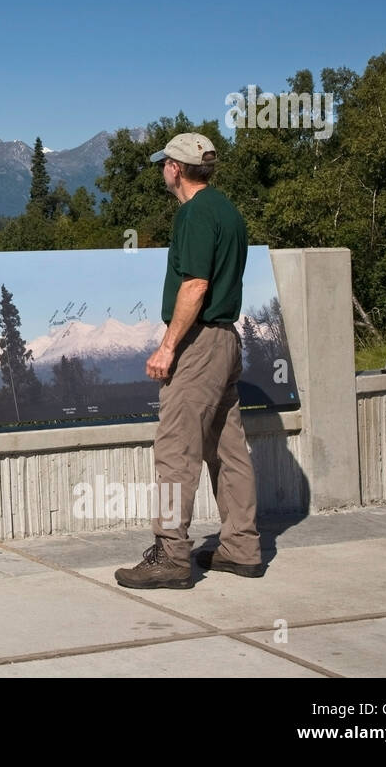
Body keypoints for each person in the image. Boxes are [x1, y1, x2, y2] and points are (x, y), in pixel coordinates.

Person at [114, 132, 265, 589]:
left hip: (199, 343)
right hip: (226, 340)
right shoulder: (228, 211)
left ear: (175, 169)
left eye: (164, 164)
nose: (162, 170)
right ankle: (241, 547)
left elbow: (195, 285)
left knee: (176, 450)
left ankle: (171, 555)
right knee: (227, 448)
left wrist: (168, 346)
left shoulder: (194, 214)